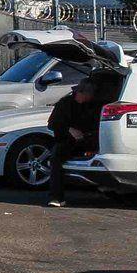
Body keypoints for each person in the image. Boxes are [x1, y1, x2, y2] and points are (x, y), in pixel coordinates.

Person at [47, 79, 101, 207]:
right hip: (67, 141)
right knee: (56, 157)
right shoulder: (64, 104)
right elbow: (52, 124)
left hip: (88, 140)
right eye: (89, 94)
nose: (91, 97)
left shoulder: (93, 106)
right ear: (81, 93)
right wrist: (69, 129)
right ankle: (56, 197)